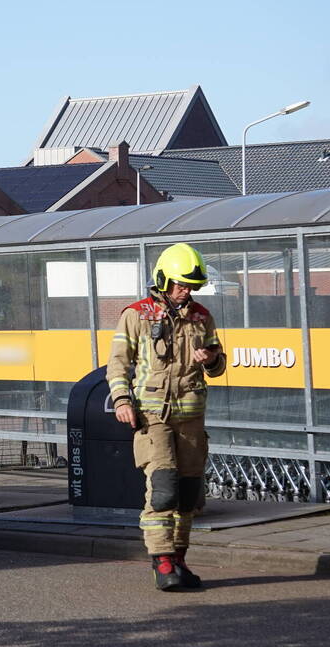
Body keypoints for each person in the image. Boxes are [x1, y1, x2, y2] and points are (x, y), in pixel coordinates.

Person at [106, 243, 226, 591]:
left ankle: (179, 559)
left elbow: (218, 367)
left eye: (190, 285)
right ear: (162, 279)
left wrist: (211, 360)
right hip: (152, 417)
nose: (185, 291)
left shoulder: (202, 317)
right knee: (163, 490)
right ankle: (161, 560)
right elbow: (118, 363)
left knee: (189, 494)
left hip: (191, 419)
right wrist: (122, 400)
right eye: (179, 284)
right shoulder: (136, 315)